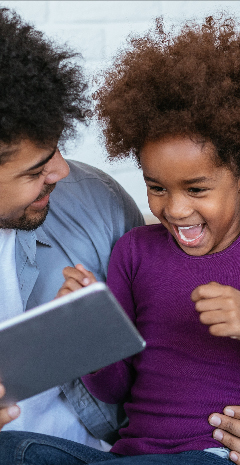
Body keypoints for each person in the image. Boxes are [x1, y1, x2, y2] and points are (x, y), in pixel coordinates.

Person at [5, 12, 240, 465]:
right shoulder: (136, 253)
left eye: (196, 189)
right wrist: (89, 327)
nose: (173, 209)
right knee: (13, 450)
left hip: (213, 453)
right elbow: (114, 389)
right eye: (156, 187)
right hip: (129, 455)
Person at [0, 4, 144, 453]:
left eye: (57, 148)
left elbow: (174, 354)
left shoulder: (98, 200)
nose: (62, 171)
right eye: (35, 170)